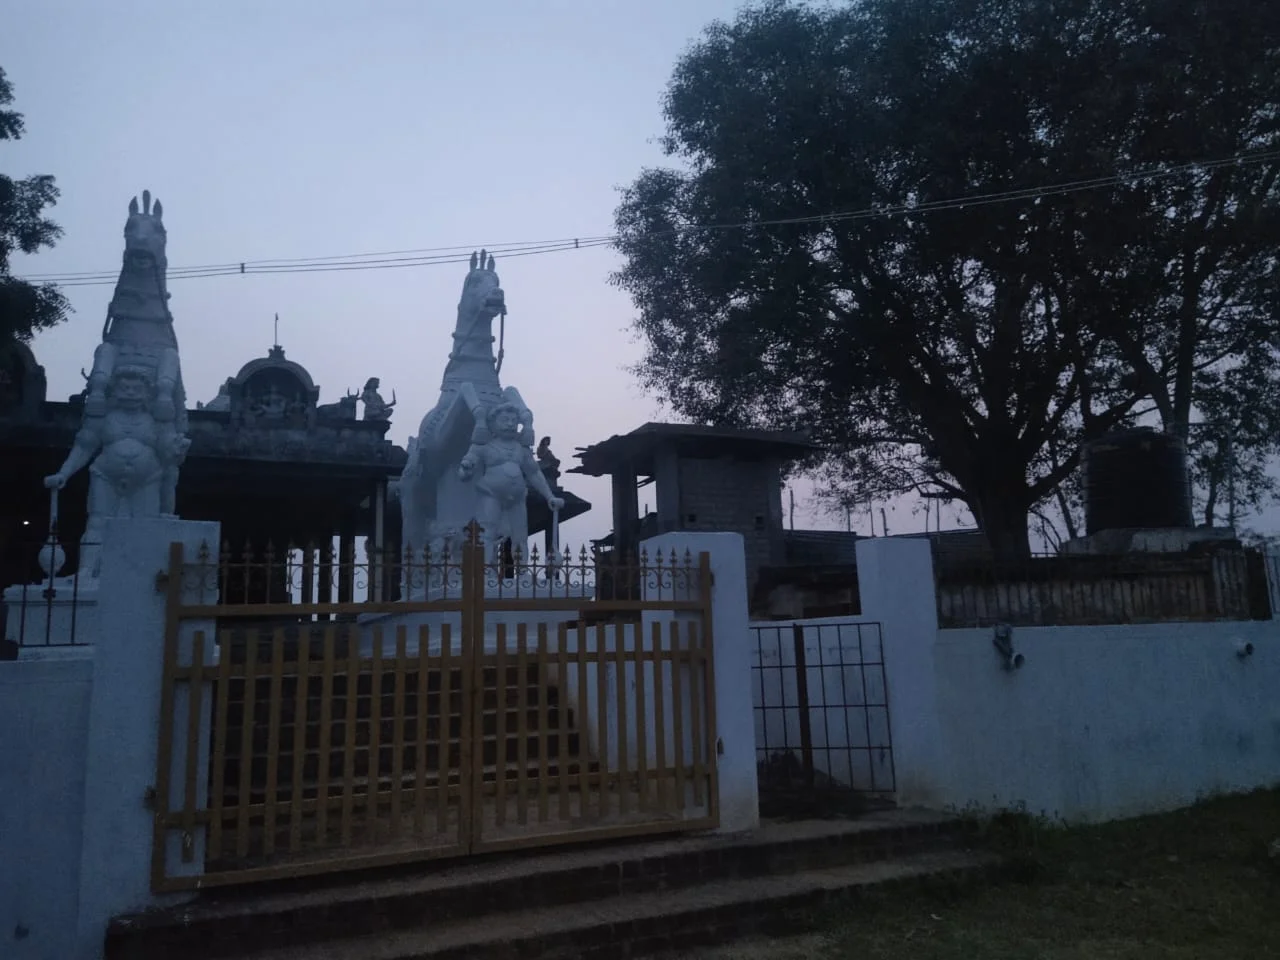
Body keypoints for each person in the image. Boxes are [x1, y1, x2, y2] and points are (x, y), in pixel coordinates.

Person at [459, 403, 564, 563]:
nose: (510, 424)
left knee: (520, 534)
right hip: (490, 494)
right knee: (487, 532)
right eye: (505, 420)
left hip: (517, 497)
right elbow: (464, 472)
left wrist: (549, 496)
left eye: (513, 421)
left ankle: (522, 573)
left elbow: (534, 472)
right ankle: (485, 572)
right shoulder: (483, 447)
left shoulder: (521, 449)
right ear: (493, 423)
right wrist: (466, 470)